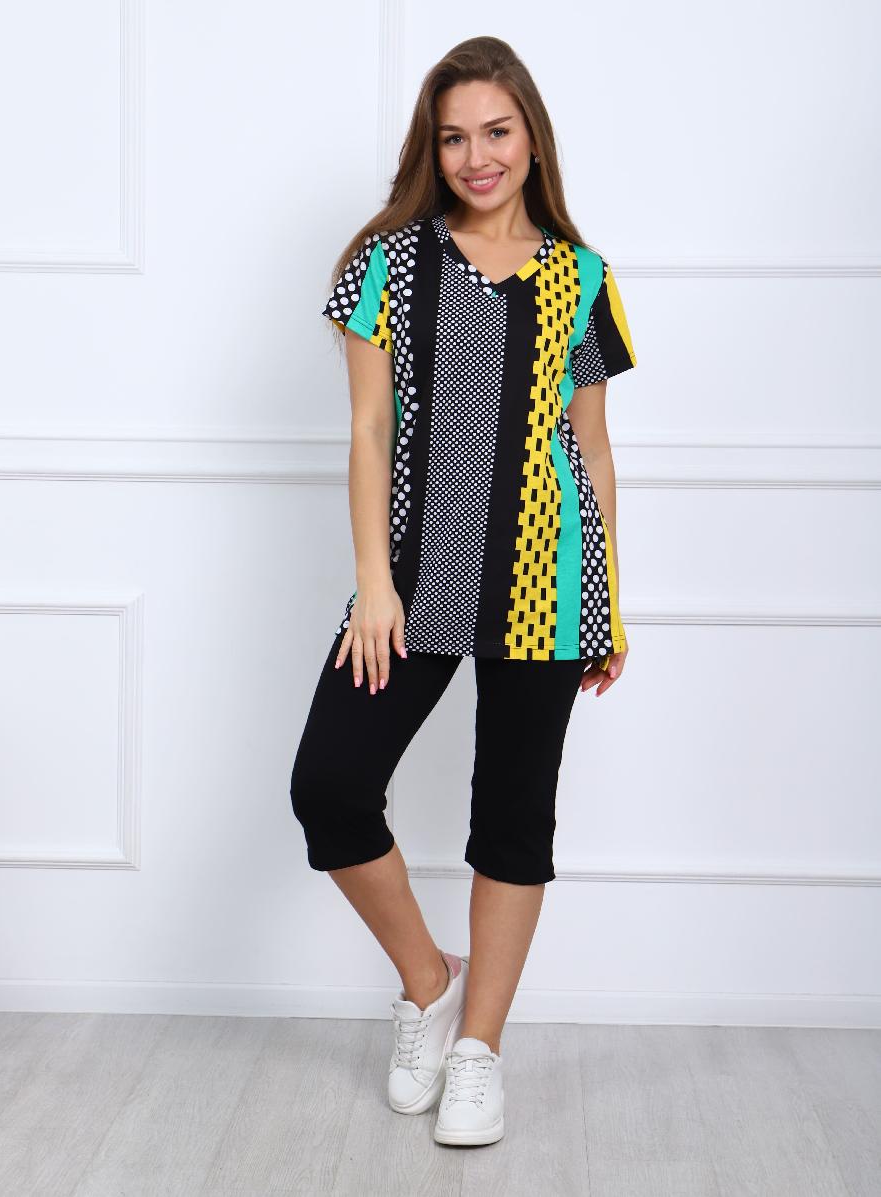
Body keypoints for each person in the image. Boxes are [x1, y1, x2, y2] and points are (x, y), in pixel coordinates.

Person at [291, 35, 637, 1147]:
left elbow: (591, 450)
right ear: (430, 151)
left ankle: (479, 1049)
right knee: (331, 786)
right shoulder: (386, 264)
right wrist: (372, 585)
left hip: (549, 581)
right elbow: (367, 428)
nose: (477, 156)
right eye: (454, 138)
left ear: (531, 136)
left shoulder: (583, 277)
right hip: (414, 581)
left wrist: (608, 600)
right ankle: (430, 985)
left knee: (513, 816)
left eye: (496, 131)